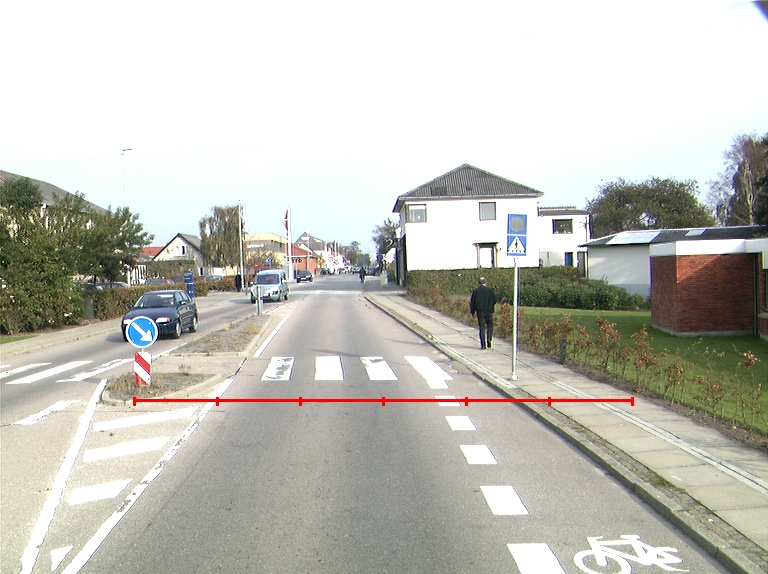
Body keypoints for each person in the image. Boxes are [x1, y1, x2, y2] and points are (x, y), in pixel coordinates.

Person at [470, 277, 498, 349]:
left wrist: (472, 312)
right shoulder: (490, 290)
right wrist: (491, 305)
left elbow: (472, 302)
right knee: (490, 326)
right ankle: (489, 339)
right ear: (486, 283)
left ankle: (483, 345)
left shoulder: (476, 291)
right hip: (489, 311)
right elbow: (495, 300)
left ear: (478, 283)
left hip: (480, 312)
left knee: (482, 328)